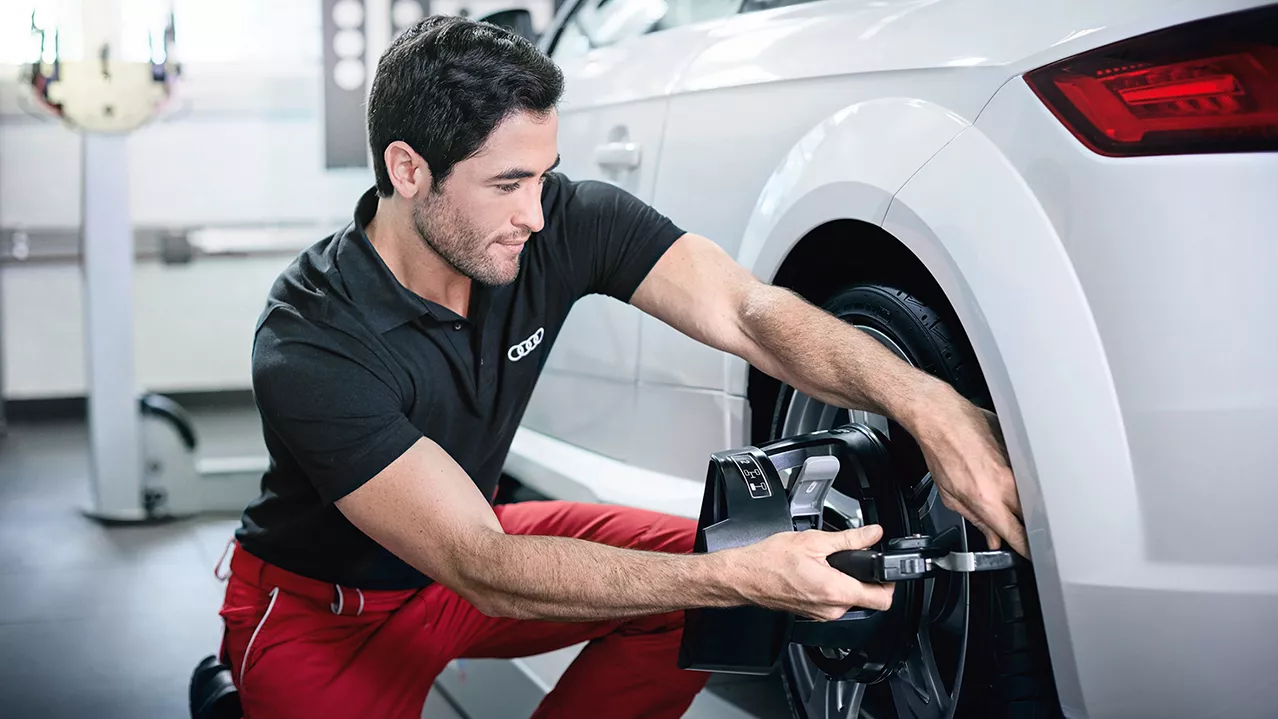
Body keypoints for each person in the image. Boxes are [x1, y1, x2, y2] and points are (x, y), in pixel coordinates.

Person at [217, 15, 1028, 719]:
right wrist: (743, 576)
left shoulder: (561, 219)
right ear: (407, 170)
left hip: (474, 549)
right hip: (326, 612)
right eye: (507, 183)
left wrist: (926, 402)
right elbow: (482, 567)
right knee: (722, 577)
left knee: (693, 582)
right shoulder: (310, 340)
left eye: (543, 173)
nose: (536, 212)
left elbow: (747, 312)